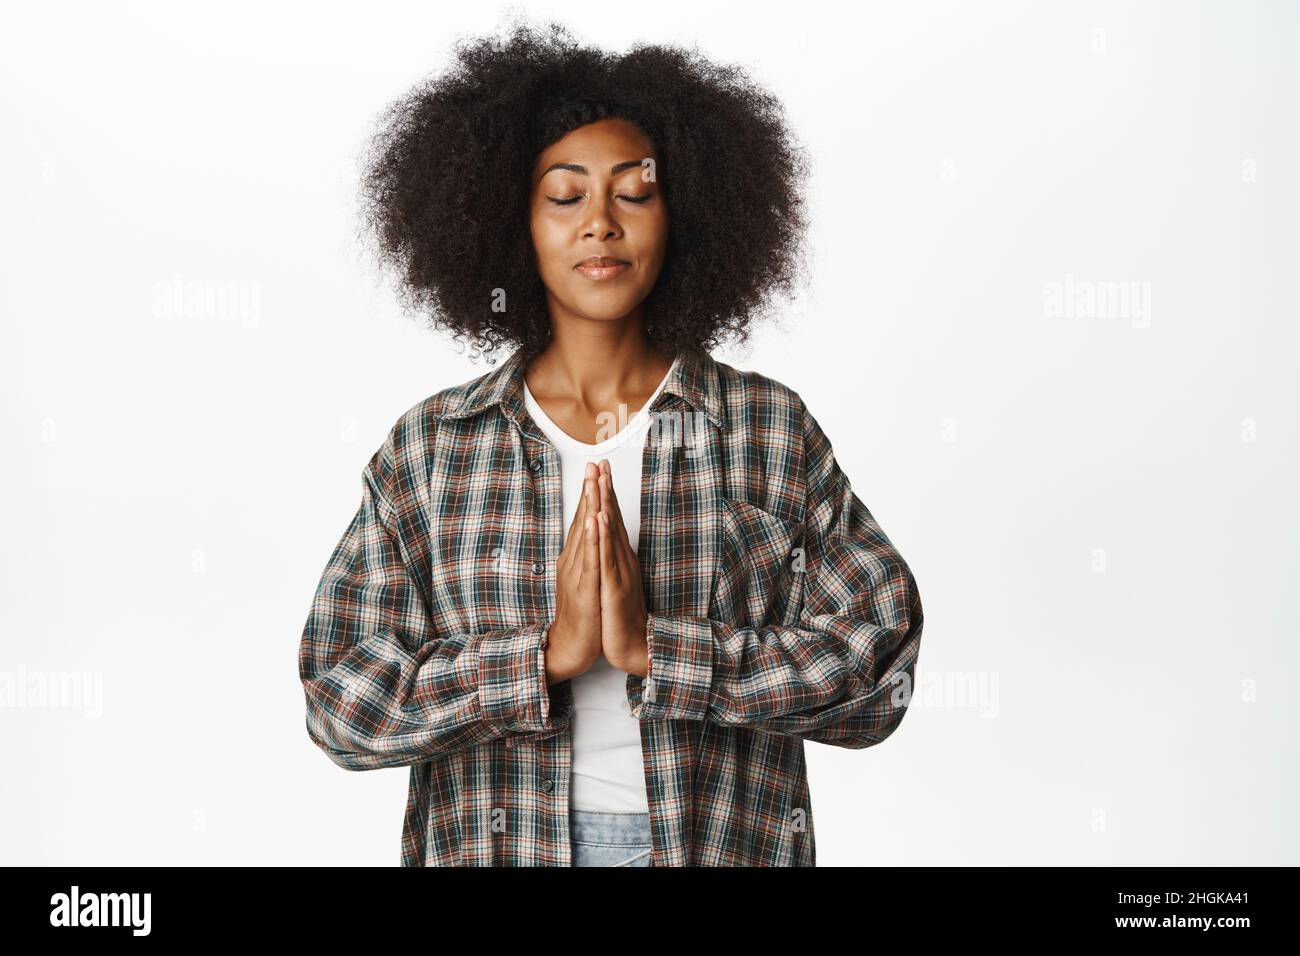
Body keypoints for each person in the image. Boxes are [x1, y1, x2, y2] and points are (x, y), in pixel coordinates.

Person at [297, 17, 924, 867]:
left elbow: (881, 666)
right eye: (566, 196)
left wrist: (663, 652)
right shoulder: (435, 449)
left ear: (686, 214)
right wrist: (539, 660)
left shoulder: (766, 429)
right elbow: (339, 699)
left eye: (635, 193)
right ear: (512, 221)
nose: (600, 222)